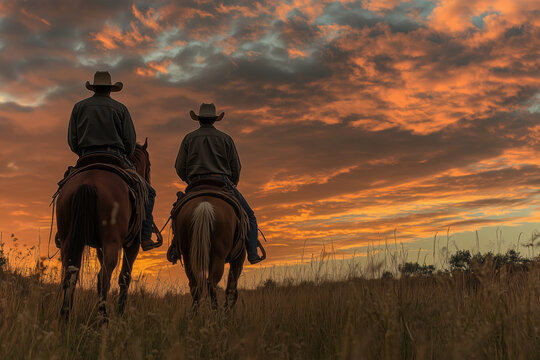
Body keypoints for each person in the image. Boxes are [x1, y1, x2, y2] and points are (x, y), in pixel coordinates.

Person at [67, 71, 160, 251]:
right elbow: (130, 143)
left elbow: (72, 140)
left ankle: (64, 231)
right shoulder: (120, 108)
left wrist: (84, 152)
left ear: (93, 88)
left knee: (64, 186)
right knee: (148, 192)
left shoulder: (79, 107)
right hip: (115, 157)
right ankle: (145, 235)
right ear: (111, 89)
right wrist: (123, 153)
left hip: (86, 157)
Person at [175, 103, 263, 264]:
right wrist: (232, 184)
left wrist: (190, 181)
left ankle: (176, 248)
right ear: (215, 120)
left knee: (177, 212)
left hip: (196, 183)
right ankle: (252, 253)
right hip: (222, 182)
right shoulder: (226, 138)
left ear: (199, 120)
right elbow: (236, 167)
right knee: (250, 216)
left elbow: (179, 167)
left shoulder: (189, 138)